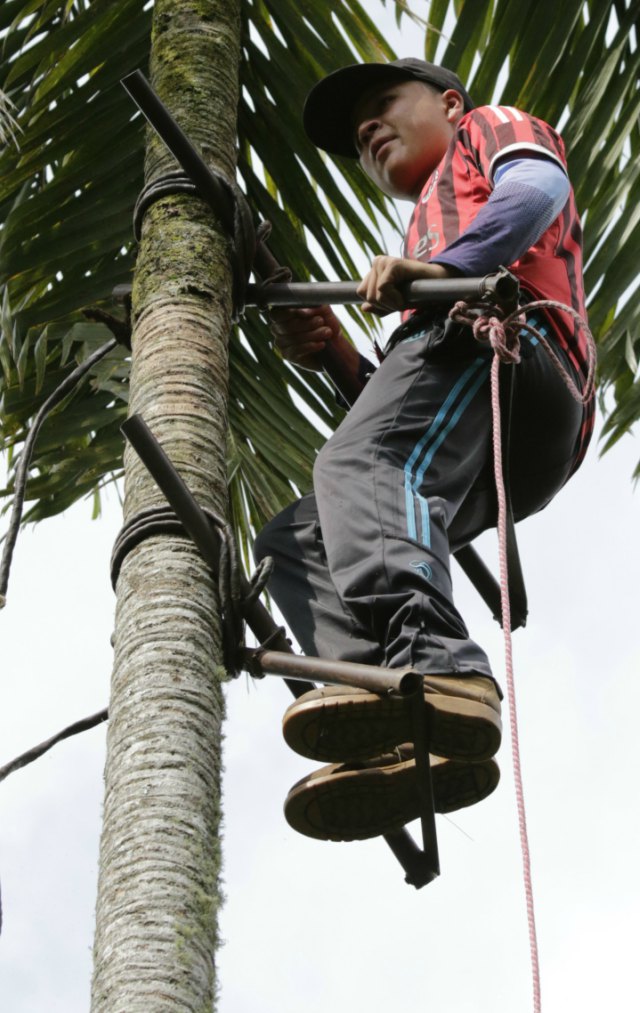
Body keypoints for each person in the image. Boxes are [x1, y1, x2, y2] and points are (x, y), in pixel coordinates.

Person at [254, 59, 594, 843]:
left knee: (358, 465)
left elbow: (537, 191)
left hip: (509, 341)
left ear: (447, 102)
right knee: (297, 539)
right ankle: (388, 711)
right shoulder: (429, 232)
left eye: (383, 106)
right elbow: (407, 428)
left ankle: (441, 665)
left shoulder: (488, 127)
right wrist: (337, 355)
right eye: (358, 133)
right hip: (497, 419)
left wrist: (443, 271)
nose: (368, 130)